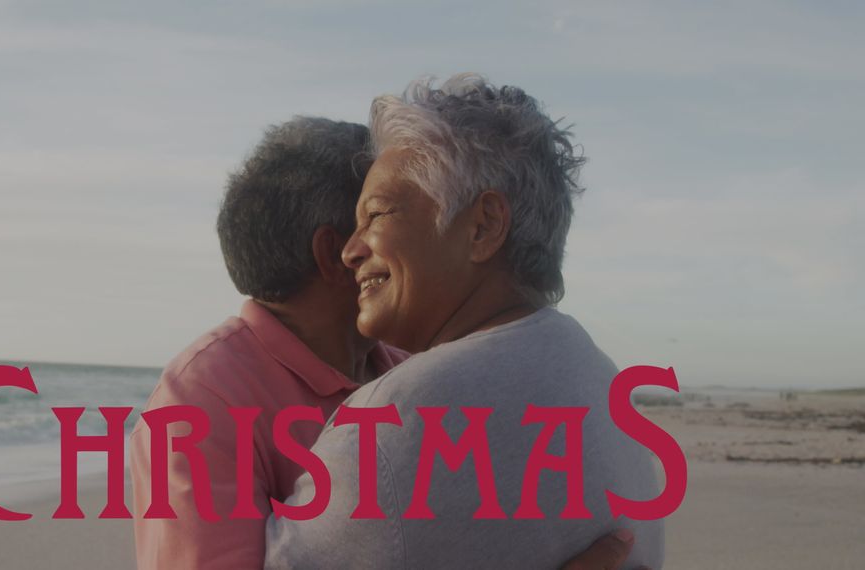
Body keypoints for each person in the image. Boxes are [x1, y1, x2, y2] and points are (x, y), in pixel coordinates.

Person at [131, 116, 641, 570]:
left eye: (378, 216)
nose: (361, 246)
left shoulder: (411, 370)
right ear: (335, 253)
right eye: (367, 216)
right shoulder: (201, 400)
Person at [264, 75, 664, 569]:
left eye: (377, 214)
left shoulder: (390, 424)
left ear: (483, 226)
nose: (350, 250)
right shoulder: (605, 387)